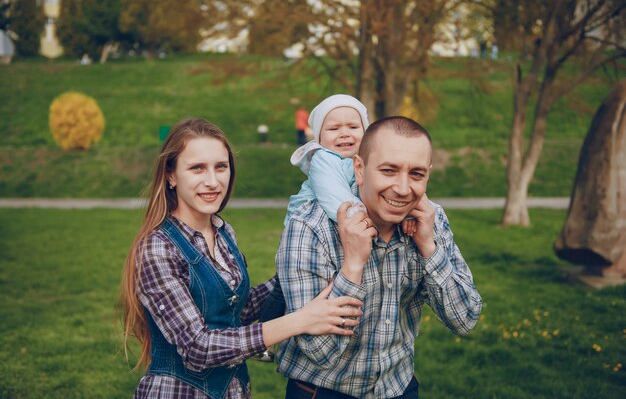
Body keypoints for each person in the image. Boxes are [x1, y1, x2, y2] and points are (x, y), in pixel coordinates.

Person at [119, 118, 364, 399]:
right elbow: (198, 347)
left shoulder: (223, 232)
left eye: (220, 167)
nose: (212, 181)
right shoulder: (158, 248)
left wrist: (294, 273)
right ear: (171, 175)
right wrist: (300, 320)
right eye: (197, 168)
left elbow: (235, 313)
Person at [276, 116, 483, 398]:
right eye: (389, 170)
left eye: (416, 174)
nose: (402, 188)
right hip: (322, 391)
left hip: (398, 387)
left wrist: (428, 247)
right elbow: (318, 351)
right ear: (359, 169)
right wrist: (353, 266)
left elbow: (465, 318)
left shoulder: (430, 220)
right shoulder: (310, 226)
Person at [259, 94, 370, 323]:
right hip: (302, 235)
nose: (345, 133)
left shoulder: (365, 160)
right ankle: (265, 331)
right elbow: (335, 198)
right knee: (284, 288)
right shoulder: (324, 159)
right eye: (334, 128)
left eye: (353, 126)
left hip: (334, 233)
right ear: (319, 137)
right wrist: (364, 219)